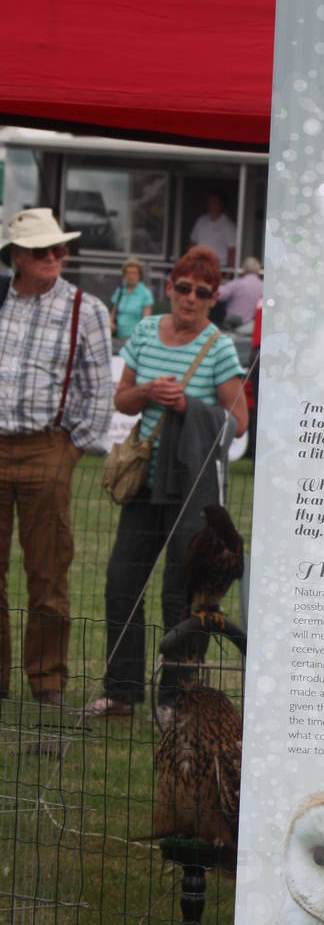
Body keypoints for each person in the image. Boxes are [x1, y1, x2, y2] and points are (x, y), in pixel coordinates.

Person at [85, 246, 247, 722]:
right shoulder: (144, 331)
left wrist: (187, 408)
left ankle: (176, 699)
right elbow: (123, 400)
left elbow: (238, 420)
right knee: (121, 585)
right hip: (144, 488)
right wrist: (148, 392)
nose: (190, 298)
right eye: (183, 288)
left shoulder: (217, 347)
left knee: (180, 595)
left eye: (202, 292)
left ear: (214, 298)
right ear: (169, 287)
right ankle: (122, 693)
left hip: (190, 497)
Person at [0, 207, 112, 706]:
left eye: (59, 249)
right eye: (42, 250)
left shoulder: (83, 308)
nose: (54, 258)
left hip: (48, 447)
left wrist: (71, 449)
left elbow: (99, 390)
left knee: (48, 574)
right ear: (18, 256)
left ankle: (47, 685)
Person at [109, 257, 154, 346]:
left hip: (135, 340)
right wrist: (110, 324)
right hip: (117, 339)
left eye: (134, 273)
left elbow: (146, 321)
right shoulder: (120, 291)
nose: (131, 276)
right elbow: (113, 314)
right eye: (128, 273)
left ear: (139, 275)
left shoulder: (145, 293)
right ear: (124, 275)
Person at [190, 193, 237, 272]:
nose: (211, 204)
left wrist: (228, 275)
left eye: (215, 202)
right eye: (210, 201)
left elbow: (232, 251)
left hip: (219, 268)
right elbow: (192, 244)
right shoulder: (201, 221)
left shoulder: (228, 225)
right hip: (200, 266)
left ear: (221, 204)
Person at [215, 257, 263, 328]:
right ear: (258, 270)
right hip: (254, 327)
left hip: (234, 327)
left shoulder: (236, 284)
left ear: (243, 270)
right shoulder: (263, 286)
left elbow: (218, 295)